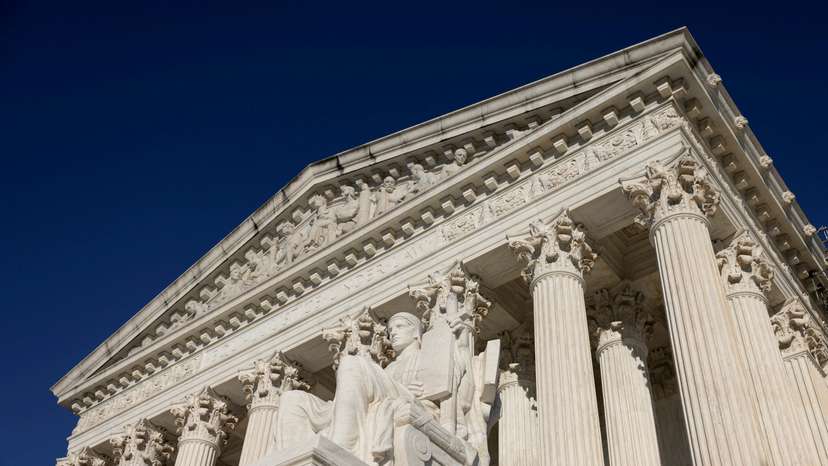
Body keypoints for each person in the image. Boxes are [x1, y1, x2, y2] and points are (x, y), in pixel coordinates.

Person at [273, 311, 429, 464]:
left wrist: (417, 396)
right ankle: (296, 459)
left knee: (351, 362)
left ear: (416, 331)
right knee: (292, 399)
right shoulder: (389, 369)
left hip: (409, 401)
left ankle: (341, 445)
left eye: (399, 326)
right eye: (390, 330)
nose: (393, 333)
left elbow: (437, 403)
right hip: (376, 399)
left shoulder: (426, 356)